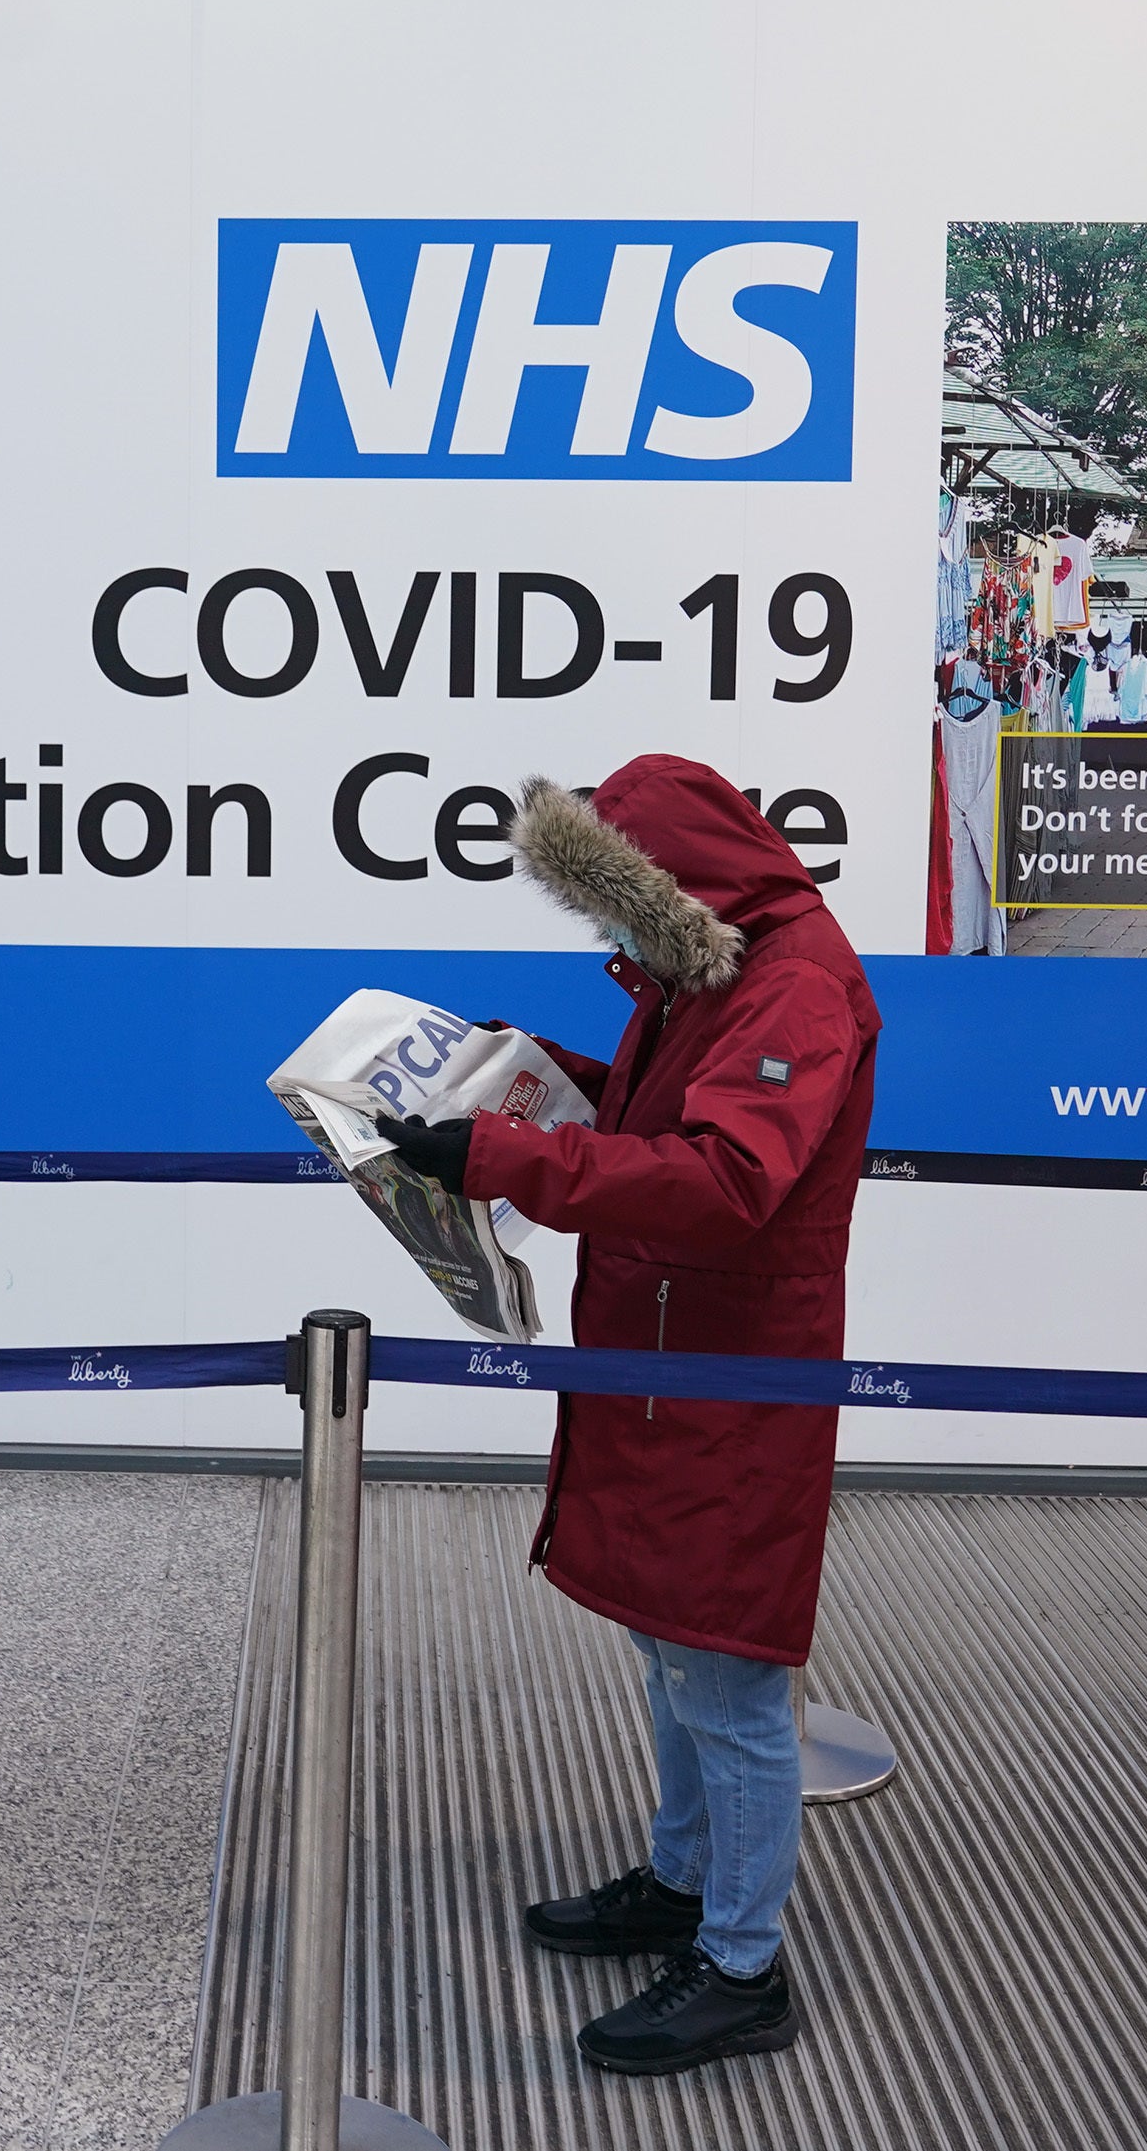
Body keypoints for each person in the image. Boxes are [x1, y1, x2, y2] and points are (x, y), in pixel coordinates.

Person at [372, 759, 881, 2079]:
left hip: (731, 1372)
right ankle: (681, 1880)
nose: (610, 938)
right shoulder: (720, 958)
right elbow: (668, 1114)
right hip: (670, 1357)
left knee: (727, 1672)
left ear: (670, 882)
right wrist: (530, 1077)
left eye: (613, 906)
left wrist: (504, 1156)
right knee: (673, 1648)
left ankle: (740, 1963)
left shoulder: (797, 986)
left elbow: (725, 1180)